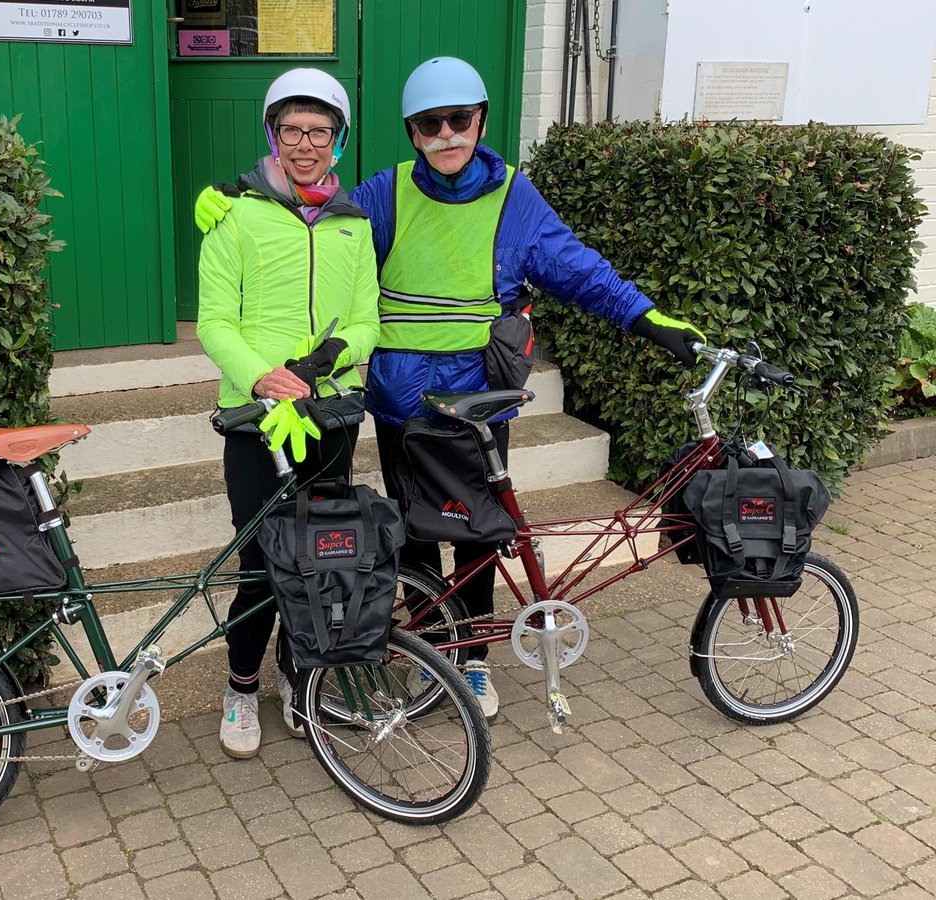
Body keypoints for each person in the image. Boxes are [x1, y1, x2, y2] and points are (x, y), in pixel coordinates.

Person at [196, 57, 702, 720]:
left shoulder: (513, 196)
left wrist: (645, 316)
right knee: (409, 534)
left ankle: (474, 662)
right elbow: (314, 235)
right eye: (429, 123)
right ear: (411, 132)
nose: (445, 133)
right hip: (398, 401)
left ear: (481, 120)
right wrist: (234, 202)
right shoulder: (387, 192)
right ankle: (427, 650)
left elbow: (578, 268)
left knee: (476, 532)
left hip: (475, 399)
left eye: (458, 119)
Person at [196, 68, 380, 759]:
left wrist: (331, 355)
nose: (306, 144)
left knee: (323, 559)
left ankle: (300, 678)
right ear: (273, 133)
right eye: (293, 130)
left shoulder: (352, 223)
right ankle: (241, 687)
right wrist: (260, 378)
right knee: (261, 561)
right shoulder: (233, 213)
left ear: (338, 140)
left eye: (320, 132)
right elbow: (214, 321)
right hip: (255, 420)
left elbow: (368, 318)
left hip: (330, 413)